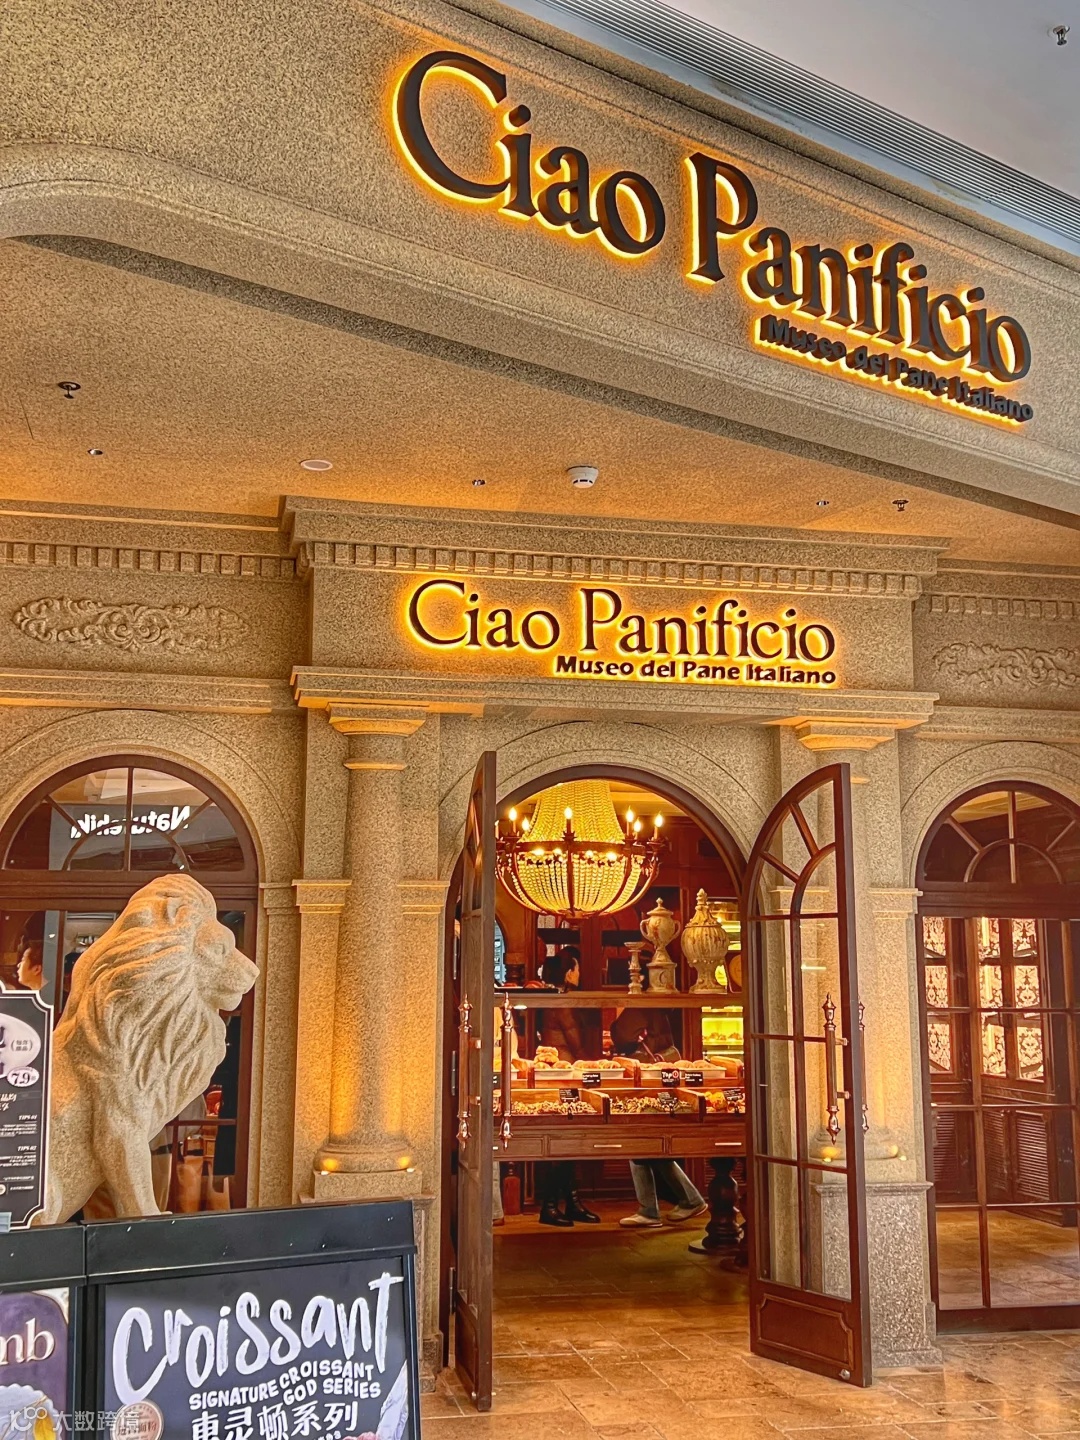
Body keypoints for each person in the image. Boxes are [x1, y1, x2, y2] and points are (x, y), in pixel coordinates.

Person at [609, 1004, 707, 1229]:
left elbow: (622, 1036)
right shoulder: (661, 1007)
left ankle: (654, 1209)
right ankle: (685, 1200)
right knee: (650, 1146)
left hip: (648, 1080)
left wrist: (616, 1024)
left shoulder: (637, 1007)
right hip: (662, 1078)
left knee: (639, 1143)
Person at [535, 947, 600, 1228]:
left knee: (567, 1144)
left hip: (559, 1073)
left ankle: (572, 1203)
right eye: (577, 968)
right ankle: (550, 1207)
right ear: (569, 973)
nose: (580, 973)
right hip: (563, 1076)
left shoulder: (552, 997)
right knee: (561, 1144)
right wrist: (593, 1066)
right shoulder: (562, 1002)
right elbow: (575, 1042)